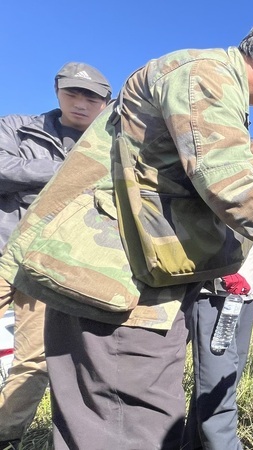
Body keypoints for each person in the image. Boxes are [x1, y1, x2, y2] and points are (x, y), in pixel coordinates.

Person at [0, 16, 253, 450]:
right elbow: (232, 188)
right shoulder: (205, 77)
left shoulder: (213, 86)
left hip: (139, 289)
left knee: (135, 422)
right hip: (116, 289)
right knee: (128, 430)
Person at [0, 62, 111, 449]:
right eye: (73, 93)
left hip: (52, 262)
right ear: (57, 91)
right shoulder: (17, 126)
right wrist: (69, 171)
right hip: (4, 248)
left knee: (34, 358)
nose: (81, 103)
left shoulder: (109, 147)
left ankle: (6, 433)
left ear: (104, 103)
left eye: (91, 97)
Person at [182, 126, 253, 450]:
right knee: (216, 377)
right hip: (217, 295)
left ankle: (192, 444)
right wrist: (221, 276)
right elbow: (200, 232)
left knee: (227, 378)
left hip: (243, 300)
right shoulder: (230, 177)